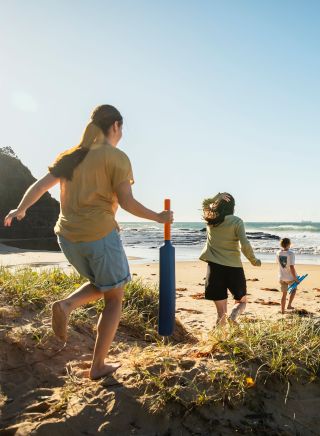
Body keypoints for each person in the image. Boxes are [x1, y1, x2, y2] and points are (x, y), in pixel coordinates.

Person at [4, 104, 173, 379]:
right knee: (115, 297)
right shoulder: (116, 157)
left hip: (67, 238)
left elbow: (40, 186)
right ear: (115, 126)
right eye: (121, 129)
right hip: (99, 236)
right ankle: (98, 365)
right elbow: (128, 202)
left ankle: (67, 305)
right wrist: (159, 217)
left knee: (105, 284)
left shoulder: (72, 156)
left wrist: (20, 209)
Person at [199, 193, 261, 326]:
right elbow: (244, 244)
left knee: (221, 314)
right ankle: (233, 317)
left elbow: (204, 204)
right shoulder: (237, 221)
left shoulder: (211, 219)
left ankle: (219, 341)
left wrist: (217, 197)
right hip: (234, 268)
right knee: (241, 302)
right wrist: (253, 260)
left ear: (217, 204)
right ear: (233, 207)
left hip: (215, 268)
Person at [276, 237, 299, 314]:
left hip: (281, 277)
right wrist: (295, 278)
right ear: (289, 244)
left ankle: (282, 311)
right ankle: (289, 305)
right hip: (290, 277)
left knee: (284, 294)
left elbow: (278, 264)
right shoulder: (291, 253)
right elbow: (292, 267)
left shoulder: (278, 253)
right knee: (294, 290)